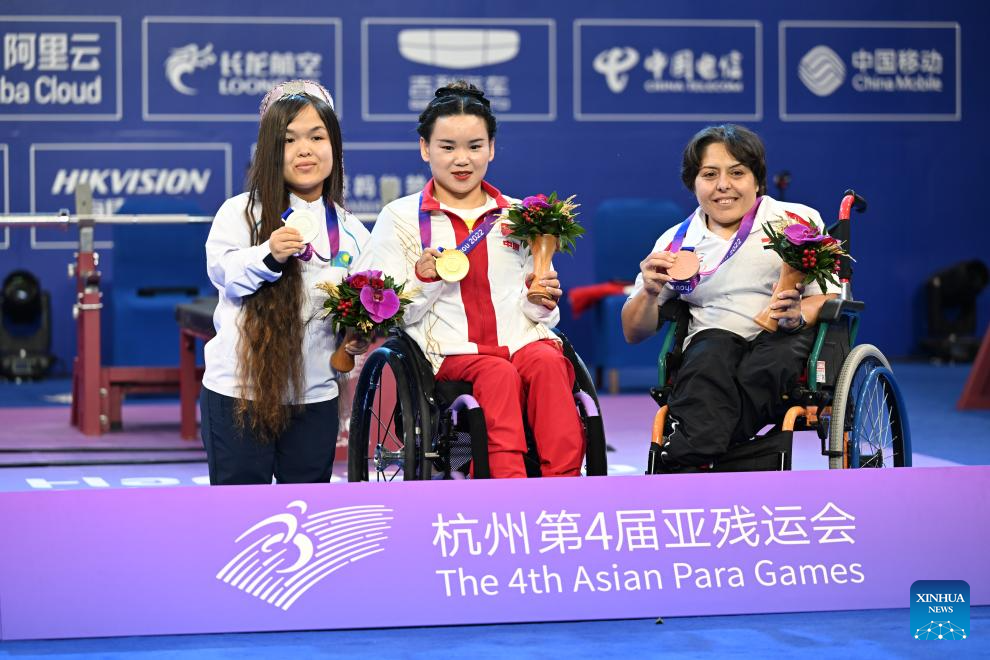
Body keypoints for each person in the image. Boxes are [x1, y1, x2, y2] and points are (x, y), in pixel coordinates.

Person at [355, 81, 584, 478]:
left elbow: (541, 315)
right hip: (451, 353)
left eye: (475, 146)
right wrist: (423, 279)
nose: (462, 159)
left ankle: (564, 489)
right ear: (425, 149)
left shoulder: (520, 216)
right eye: (447, 147)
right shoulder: (402, 219)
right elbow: (384, 313)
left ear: (492, 148)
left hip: (522, 343)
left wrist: (541, 299)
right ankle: (506, 492)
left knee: (549, 362)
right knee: (497, 375)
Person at [621, 124, 839, 472]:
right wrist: (648, 292)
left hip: (784, 336)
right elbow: (633, 332)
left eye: (737, 172)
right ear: (693, 182)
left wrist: (798, 314)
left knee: (765, 366)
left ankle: (689, 453)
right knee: (709, 355)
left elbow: (828, 297)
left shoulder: (796, 221)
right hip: (713, 344)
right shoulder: (675, 242)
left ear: (757, 179)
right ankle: (725, 455)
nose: (723, 185)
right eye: (710, 174)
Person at [200, 79, 371, 485]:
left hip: (315, 397)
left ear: (336, 147)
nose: (305, 150)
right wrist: (269, 253)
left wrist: (357, 334)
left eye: (317, 136)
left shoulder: (354, 233)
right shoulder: (240, 213)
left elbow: (361, 306)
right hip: (238, 393)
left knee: (308, 516)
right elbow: (224, 274)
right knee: (238, 519)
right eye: (289, 140)